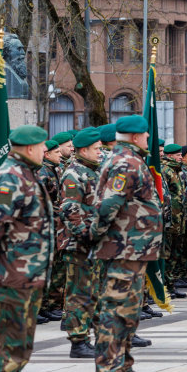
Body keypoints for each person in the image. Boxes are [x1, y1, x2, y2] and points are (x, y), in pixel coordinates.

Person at [0, 125, 54, 372]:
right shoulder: (10, 176)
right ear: (29, 148)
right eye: (42, 147)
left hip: (28, 274)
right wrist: (9, 257)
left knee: (21, 340)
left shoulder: (26, 173)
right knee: (7, 339)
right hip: (11, 274)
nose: (45, 151)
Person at [90, 115, 164, 372]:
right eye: (145, 135)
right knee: (116, 309)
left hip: (134, 249)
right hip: (123, 248)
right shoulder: (126, 162)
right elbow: (108, 206)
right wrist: (95, 236)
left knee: (129, 310)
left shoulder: (128, 159)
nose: (148, 139)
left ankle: (123, 364)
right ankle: (108, 371)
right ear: (135, 137)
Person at [58, 128, 103, 359]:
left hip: (93, 244)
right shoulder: (74, 174)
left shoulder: (91, 171)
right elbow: (69, 209)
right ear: (84, 150)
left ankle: (87, 336)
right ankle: (78, 341)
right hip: (79, 245)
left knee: (92, 293)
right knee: (78, 294)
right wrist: (84, 234)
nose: (100, 152)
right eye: (97, 149)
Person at [37, 139, 65, 322]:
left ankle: (50, 305)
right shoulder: (43, 173)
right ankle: (42, 306)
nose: (61, 154)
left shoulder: (53, 170)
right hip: (46, 227)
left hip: (55, 226)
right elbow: (43, 203)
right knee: (46, 268)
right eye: (57, 152)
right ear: (47, 154)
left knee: (54, 267)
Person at [161, 144, 187, 300]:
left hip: (179, 219)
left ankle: (171, 284)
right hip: (170, 220)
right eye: (178, 155)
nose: (180, 157)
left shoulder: (177, 170)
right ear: (170, 156)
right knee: (168, 255)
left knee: (175, 254)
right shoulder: (166, 170)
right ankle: (166, 286)